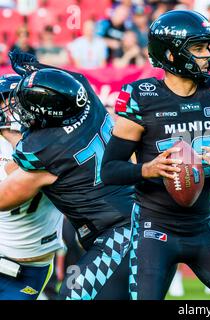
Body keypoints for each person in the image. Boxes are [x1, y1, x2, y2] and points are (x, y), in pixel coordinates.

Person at [101, 10, 210, 300]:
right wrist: (148, 169)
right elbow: (110, 169)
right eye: (199, 48)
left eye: (208, 47)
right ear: (173, 55)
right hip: (154, 229)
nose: (208, 55)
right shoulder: (142, 96)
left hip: (205, 226)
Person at [0, 51, 134, 300]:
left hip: (117, 232)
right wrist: (35, 67)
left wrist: (8, 133)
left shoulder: (45, 147)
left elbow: (7, 191)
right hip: (125, 219)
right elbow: (70, 80)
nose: (18, 109)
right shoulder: (85, 95)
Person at [0, 74, 64, 300]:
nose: (11, 108)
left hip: (29, 265)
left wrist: (12, 141)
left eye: (14, 101)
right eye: (5, 101)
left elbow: (27, 175)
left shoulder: (52, 140)